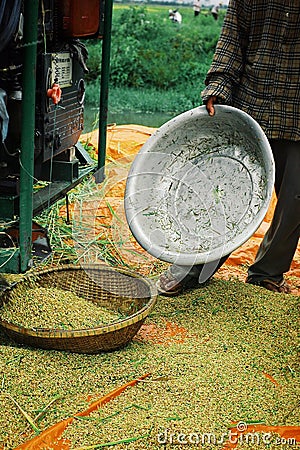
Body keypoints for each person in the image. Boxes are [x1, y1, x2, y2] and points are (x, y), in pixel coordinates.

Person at [157, 0, 300, 296]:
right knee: (227, 193)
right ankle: (192, 268)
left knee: (295, 200)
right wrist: (218, 87)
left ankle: (267, 272)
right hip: (252, 105)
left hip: (296, 112)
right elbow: (231, 39)